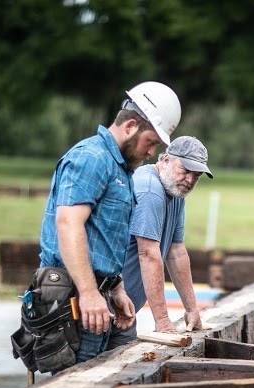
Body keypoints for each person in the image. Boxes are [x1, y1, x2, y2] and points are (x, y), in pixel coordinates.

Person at [38, 81, 182, 364]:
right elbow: (68, 224)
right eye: (150, 142)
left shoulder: (122, 169)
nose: (151, 152)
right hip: (75, 298)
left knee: (114, 379)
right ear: (130, 127)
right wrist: (89, 293)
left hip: (100, 297)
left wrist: (116, 288)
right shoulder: (91, 158)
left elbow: (104, 236)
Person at [107, 136, 213, 350]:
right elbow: (148, 254)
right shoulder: (149, 189)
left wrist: (192, 309)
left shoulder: (176, 192)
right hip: (103, 306)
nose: (190, 180)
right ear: (165, 160)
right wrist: (163, 322)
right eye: (185, 170)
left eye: (197, 175)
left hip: (125, 312)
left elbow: (176, 252)